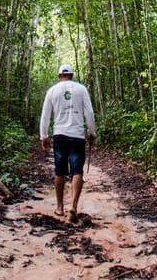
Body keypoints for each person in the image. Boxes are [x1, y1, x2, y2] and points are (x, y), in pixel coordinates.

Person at [39, 63, 97, 222]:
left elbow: (45, 115)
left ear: (59, 76)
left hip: (59, 135)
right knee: (77, 170)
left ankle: (59, 207)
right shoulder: (81, 89)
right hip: (77, 135)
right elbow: (89, 112)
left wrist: (43, 135)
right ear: (72, 75)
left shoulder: (52, 90)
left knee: (60, 171)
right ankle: (73, 207)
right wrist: (92, 132)